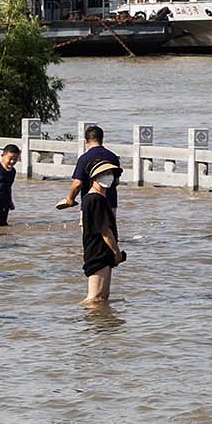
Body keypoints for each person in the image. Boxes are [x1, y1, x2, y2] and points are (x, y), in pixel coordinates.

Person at [79, 162, 124, 305]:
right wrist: (116, 252)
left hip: (100, 251)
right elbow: (105, 231)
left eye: (111, 174)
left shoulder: (95, 198)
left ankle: (101, 325)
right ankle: (77, 319)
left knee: (103, 297)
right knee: (95, 297)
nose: (108, 177)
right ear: (94, 178)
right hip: (98, 252)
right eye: (104, 174)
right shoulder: (95, 199)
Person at [58, 125, 121, 210]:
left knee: (87, 223)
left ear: (86, 141)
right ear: (101, 139)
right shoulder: (113, 157)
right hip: (110, 204)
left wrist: (70, 199)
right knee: (110, 224)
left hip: (90, 204)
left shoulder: (84, 158)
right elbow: (116, 182)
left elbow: (77, 184)